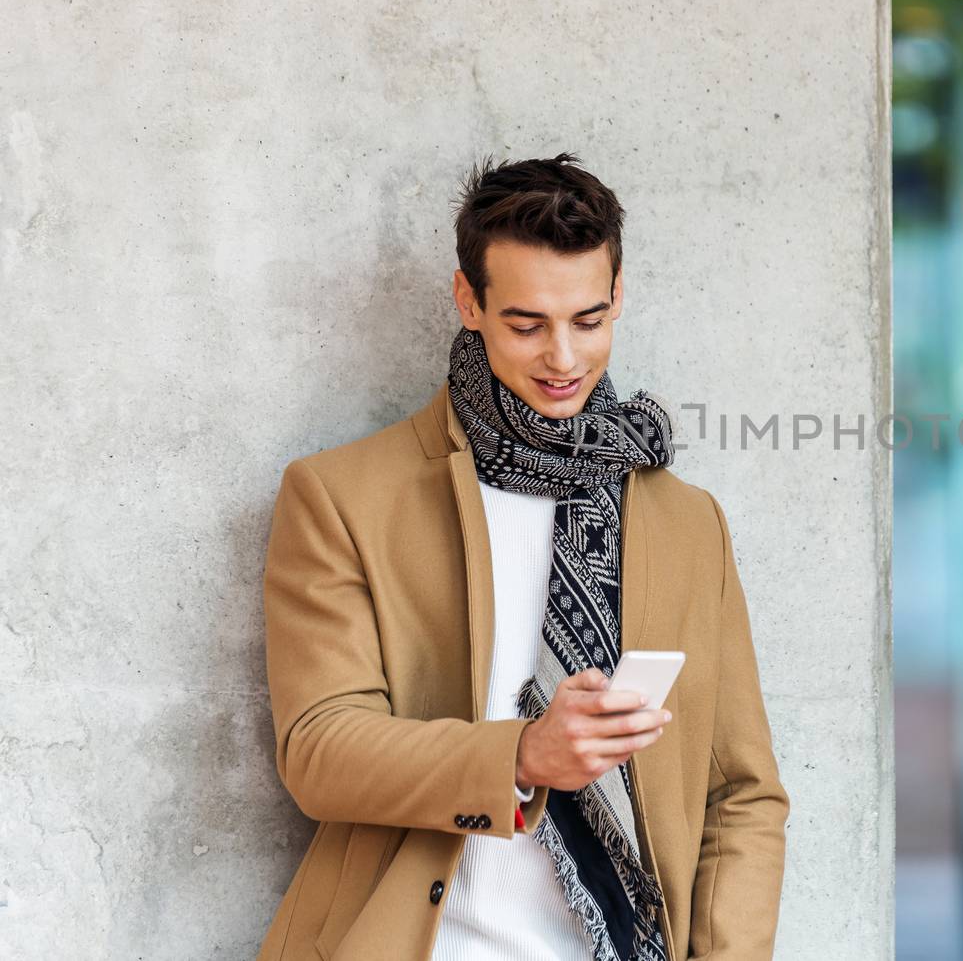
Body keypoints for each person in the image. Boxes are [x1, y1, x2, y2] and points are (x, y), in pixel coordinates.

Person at [254, 154, 790, 961]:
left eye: (588, 320)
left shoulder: (686, 523)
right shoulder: (342, 495)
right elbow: (319, 750)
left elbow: (741, 792)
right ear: (469, 302)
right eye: (527, 324)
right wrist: (522, 754)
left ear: (619, 298)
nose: (564, 359)